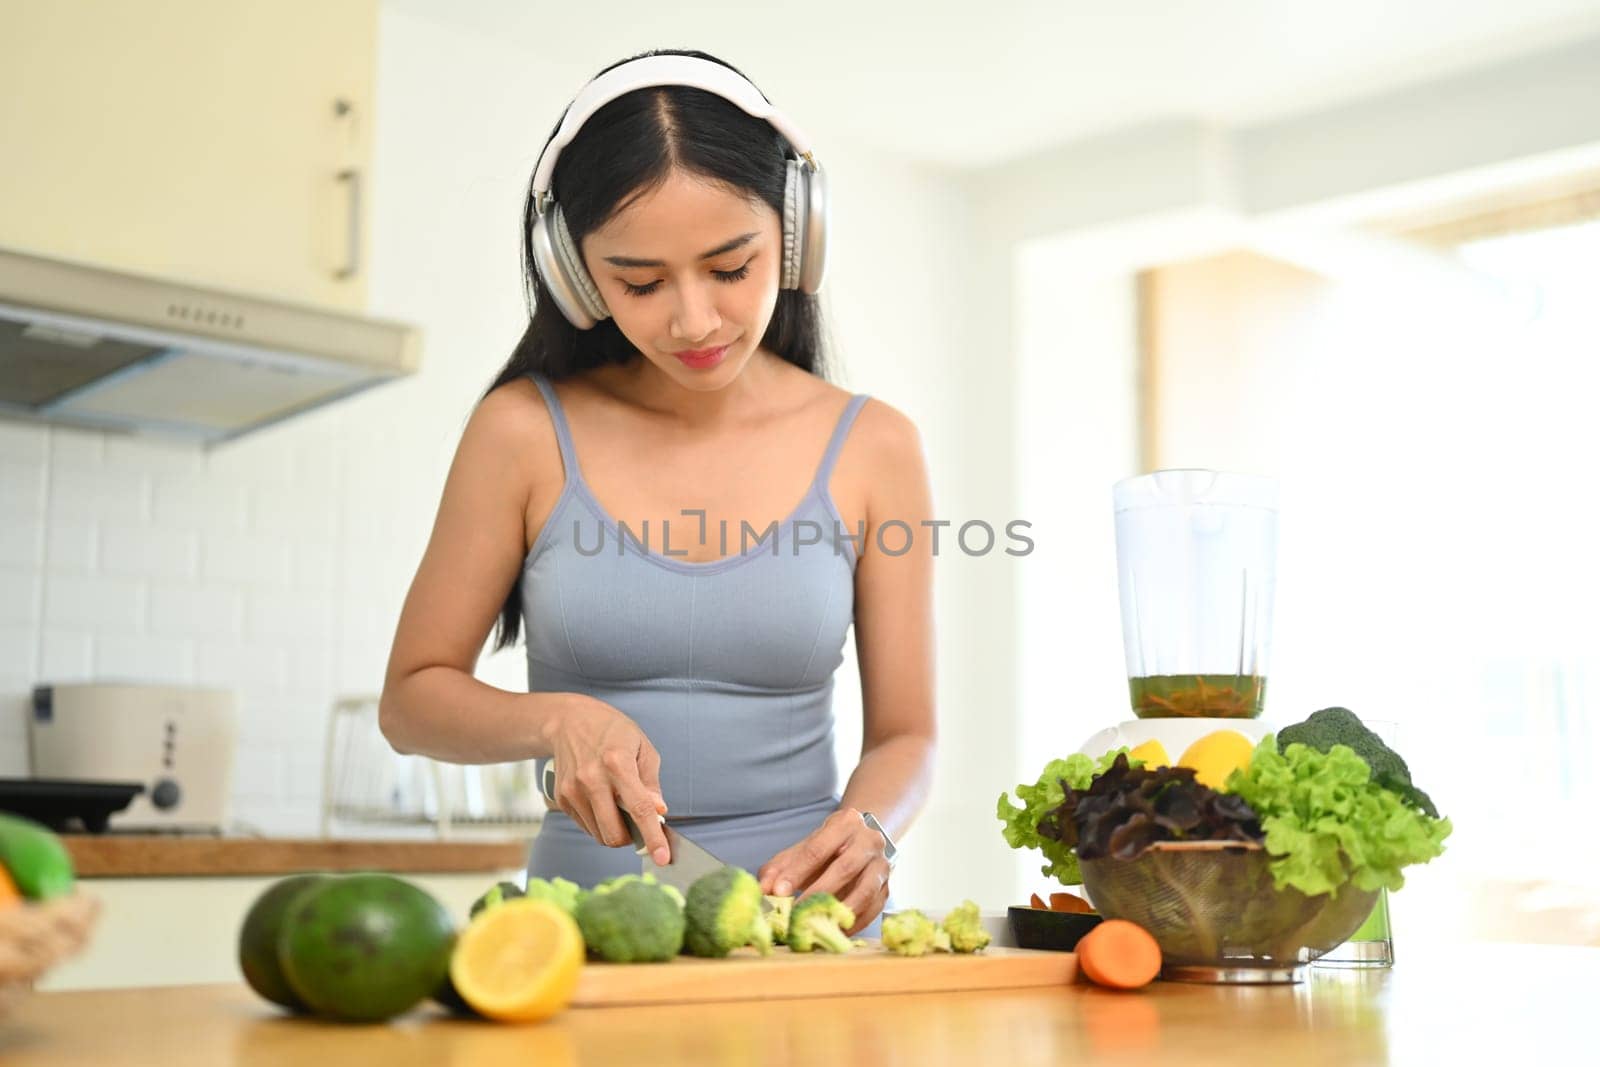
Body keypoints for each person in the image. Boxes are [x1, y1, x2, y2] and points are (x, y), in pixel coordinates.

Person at [379, 49, 935, 936]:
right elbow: (410, 700)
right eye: (640, 282)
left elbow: (908, 735)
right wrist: (555, 720)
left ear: (796, 235)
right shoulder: (522, 432)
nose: (695, 320)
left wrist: (872, 830)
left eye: (728, 267)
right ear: (575, 274)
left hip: (810, 934)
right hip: (589, 934)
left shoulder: (876, 446)